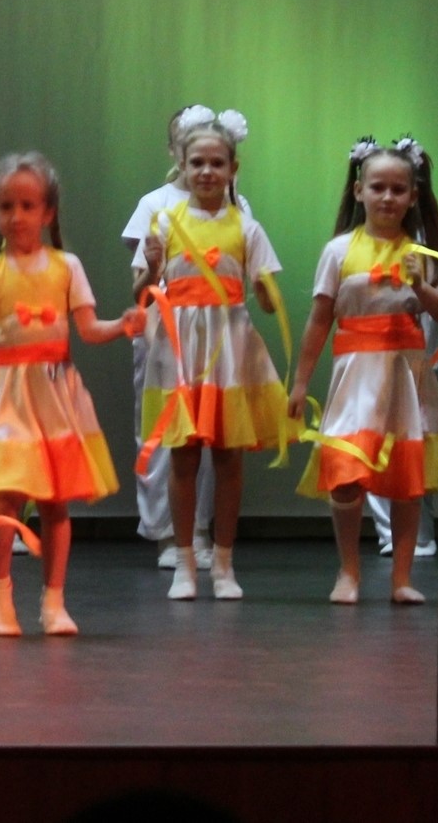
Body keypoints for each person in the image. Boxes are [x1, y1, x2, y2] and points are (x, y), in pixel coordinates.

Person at [0, 152, 144, 636]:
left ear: (48, 212)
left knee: (55, 502)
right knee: (5, 500)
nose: (16, 216)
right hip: (8, 396)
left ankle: (54, 600)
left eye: (27, 206)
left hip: (56, 396)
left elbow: (89, 329)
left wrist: (122, 326)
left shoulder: (66, 266)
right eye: (6, 206)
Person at [286, 136, 438, 605]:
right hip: (355, 379)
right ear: (359, 190)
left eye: (398, 189)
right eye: (378, 187)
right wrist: (300, 382)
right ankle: (349, 572)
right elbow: (319, 320)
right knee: (346, 474)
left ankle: (401, 578)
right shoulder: (338, 251)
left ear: (413, 196)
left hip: (406, 377)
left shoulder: (425, 252)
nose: (388, 197)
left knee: (406, 483)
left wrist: (421, 287)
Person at [128, 113, 286, 601]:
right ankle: (184, 563)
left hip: (229, 350)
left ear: (233, 168)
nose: (207, 172)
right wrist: (152, 266)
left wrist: (267, 290)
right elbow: (141, 294)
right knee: (183, 455)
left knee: (228, 456)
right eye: (197, 162)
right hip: (180, 351)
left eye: (217, 163)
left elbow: (267, 301)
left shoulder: (246, 227)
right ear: (181, 163)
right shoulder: (164, 222)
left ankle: (223, 564)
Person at [120, 106, 250, 569]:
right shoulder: (154, 204)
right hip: (167, 334)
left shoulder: (236, 207)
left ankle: (200, 530)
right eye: (186, 140)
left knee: (214, 433)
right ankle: (165, 533)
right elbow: (143, 280)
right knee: (165, 434)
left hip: (218, 336)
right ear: (175, 149)